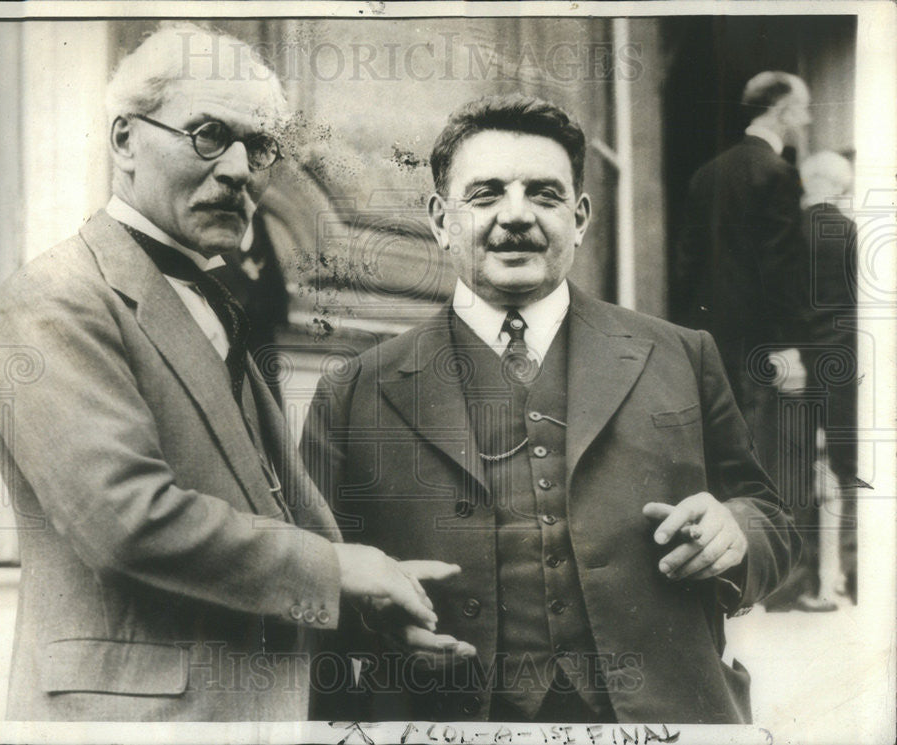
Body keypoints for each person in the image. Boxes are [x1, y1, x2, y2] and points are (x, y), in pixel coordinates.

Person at [0, 25, 454, 722]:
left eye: (257, 147)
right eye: (206, 134)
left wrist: (366, 603)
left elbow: (266, 511)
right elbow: (127, 521)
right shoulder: (55, 299)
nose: (238, 170)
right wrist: (339, 570)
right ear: (125, 140)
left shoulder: (212, 301)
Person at [302, 94, 801, 724]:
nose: (517, 217)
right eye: (485, 195)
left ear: (581, 216)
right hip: (442, 720)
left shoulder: (681, 355)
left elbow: (773, 522)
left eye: (544, 194)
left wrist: (738, 533)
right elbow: (307, 578)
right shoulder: (354, 393)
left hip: (666, 718)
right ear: (438, 218)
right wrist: (370, 622)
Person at [674, 71, 813, 483]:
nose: (806, 122)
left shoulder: (706, 174)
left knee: (717, 463)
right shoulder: (778, 173)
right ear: (783, 111)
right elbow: (780, 268)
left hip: (708, 347)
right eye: (803, 111)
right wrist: (787, 347)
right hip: (762, 350)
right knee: (765, 467)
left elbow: (686, 267)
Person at [767, 151, 860, 612]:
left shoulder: (784, 234)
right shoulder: (850, 232)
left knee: (793, 469)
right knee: (851, 468)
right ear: (839, 185)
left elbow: (775, 301)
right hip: (844, 361)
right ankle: (852, 575)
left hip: (796, 362)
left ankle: (792, 584)